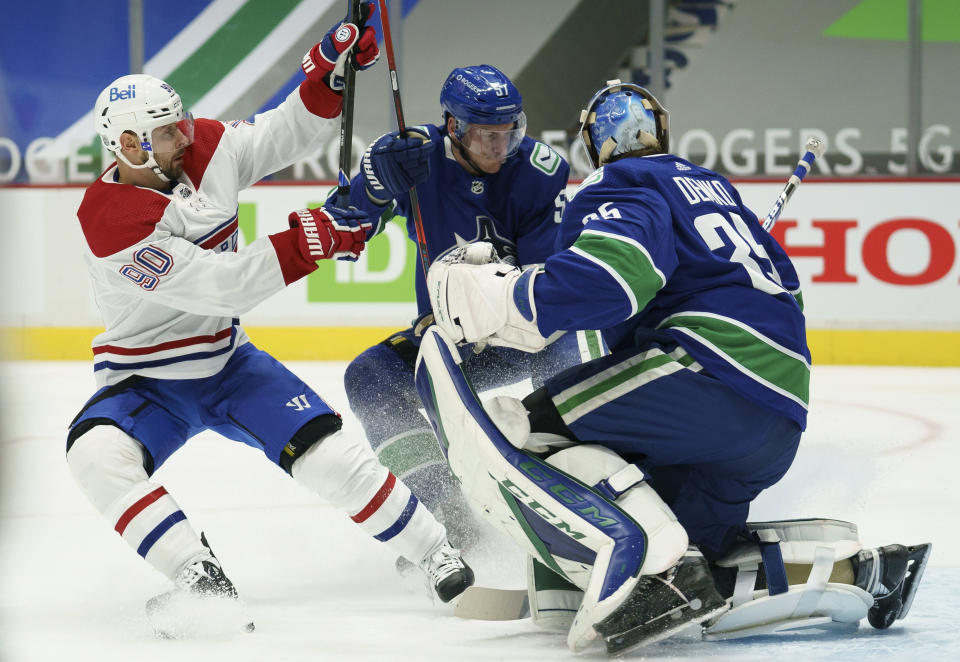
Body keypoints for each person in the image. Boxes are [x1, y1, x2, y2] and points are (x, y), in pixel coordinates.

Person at [416, 80, 930, 654]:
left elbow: (614, 275)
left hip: (704, 378)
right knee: (701, 549)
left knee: (528, 429)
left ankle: (648, 569)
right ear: (660, 129)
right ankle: (859, 572)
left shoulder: (624, 182)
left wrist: (509, 297)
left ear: (596, 144)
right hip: (779, 419)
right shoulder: (718, 193)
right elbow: (786, 296)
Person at [65, 7, 473, 637]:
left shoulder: (199, 145)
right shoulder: (110, 218)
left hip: (227, 361)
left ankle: (433, 549)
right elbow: (218, 284)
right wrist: (317, 235)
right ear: (125, 145)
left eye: (179, 126)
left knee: (328, 454)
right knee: (95, 455)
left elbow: (283, 133)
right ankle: (199, 576)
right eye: (166, 135)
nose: (185, 138)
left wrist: (327, 78)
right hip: (143, 377)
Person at [340, 64, 590, 555]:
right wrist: (372, 183)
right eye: (485, 138)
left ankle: (594, 505)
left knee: (575, 379)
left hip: (526, 333)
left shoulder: (540, 173)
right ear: (453, 127)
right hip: (449, 336)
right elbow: (345, 236)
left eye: (508, 134)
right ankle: (446, 516)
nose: (500, 149)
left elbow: (545, 288)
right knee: (370, 377)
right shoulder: (413, 160)